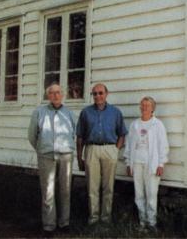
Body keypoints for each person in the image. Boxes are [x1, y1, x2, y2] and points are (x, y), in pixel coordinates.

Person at [76, 83, 128, 224]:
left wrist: (115, 150)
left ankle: (106, 218)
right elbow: (80, 136)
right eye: (95, 94)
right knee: (92, 186)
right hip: (91, 149)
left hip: (109, 149)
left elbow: (122, 134)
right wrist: (79, 157)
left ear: (106, 94)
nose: (98, 96)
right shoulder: (86, 112)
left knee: (108, 186)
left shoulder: (115, 112)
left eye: (100, 93)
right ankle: (93, 217)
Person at [28, 83, 76, 233]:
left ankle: (64, 223)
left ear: (62, 95)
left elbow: (73, 133)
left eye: (58, 93)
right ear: (48, 96)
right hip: (46, 156)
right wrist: (42, 149)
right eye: (52, 93)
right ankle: (49, 225)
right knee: (48, 191)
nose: (55, 95)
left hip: (65, 155)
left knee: (65, 189)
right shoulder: (39, 112)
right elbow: (32, 135)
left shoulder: (69, 113)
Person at [124, 96, 169, 230]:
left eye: (148, 106)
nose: (144, 108)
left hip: (152, 164)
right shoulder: (134, 124)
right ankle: (142, 222)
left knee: (151, 193)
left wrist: (161, 163)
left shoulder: (158, 125)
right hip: (136, 163)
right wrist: (128, 163)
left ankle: (152, 222)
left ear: (153, 108)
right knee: (139, 193)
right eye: (142, 105)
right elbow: (129, 144)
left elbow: (163, 145)